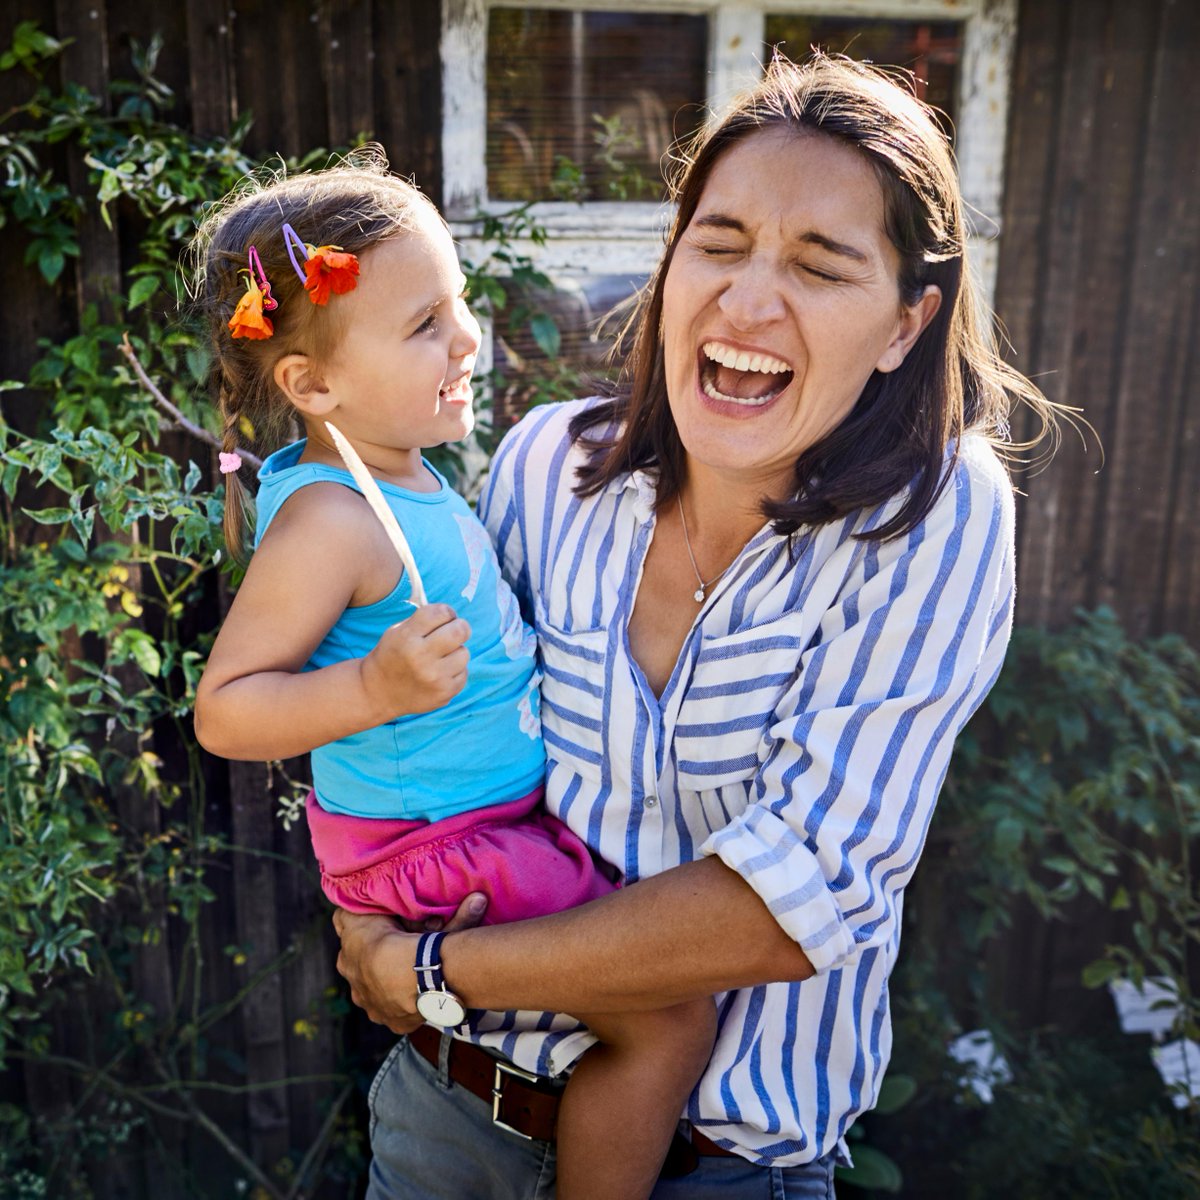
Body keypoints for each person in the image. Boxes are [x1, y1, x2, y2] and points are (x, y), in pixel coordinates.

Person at [331, 53, 1057, 1199]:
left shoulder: (934, 516)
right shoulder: (542, 471)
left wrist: (433, 967)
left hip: (720, 1172)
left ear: (906, 324)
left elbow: (793, 898)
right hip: (450, 1123)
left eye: (821, 266)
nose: (748, 301)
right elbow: (439, 736)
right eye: (718, 245)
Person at [190, 159, 717, 1200]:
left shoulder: (407, 475)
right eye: (426, 322)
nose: (467, 338)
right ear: (312, 384)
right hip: (436, 850)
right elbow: (226, 710)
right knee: (669, 1021)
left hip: (475, 831)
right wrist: (371, 692)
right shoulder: (331, 518)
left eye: (459, 303)